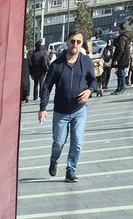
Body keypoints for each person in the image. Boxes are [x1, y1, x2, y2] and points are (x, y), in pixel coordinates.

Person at [39, 29, 94, 183]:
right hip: (61, 112)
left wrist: (89, 91)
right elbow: (47, 87)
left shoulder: (86, 61)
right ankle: (54, 160)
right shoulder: (57, 64)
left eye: (78, 42)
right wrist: (43, 108)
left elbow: (93, 81)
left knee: (77, 143)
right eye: (72, 41)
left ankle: (71, 170)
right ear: (67, 42)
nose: (75, 44)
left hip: (79, 110)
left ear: (81, 43)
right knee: (58, 142)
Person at [111, 23, 130, 92]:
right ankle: (120, 87)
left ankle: (121, 88)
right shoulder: (127, 37)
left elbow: (121, 49)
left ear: (120, 29)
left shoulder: (122, 37)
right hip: (125, 57)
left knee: (121, 73)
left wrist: (116, 59)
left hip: (122, 58)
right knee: (121, 73)